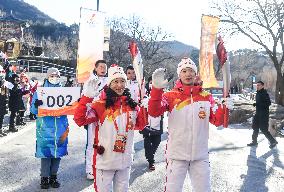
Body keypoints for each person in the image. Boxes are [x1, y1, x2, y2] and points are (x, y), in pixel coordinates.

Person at [148, 57, 229, 192]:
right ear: (179, 74)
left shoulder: (206, 96)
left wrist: (224, 108)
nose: (188, 74)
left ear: (195, 74)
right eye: (184, 71)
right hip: (177, 156)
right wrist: (156, 90)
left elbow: (217, 120)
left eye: (191, 71)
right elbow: (154, 112)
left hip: (200, 155)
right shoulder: (170, 96)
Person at [74, 64, 147, 192]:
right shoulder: (99, 106)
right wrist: (86, 98)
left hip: (125, 161)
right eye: (115, 81)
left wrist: (145, 108)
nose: (119, 85)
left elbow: (141, 125)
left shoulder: (132, 106)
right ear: (109, 84)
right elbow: (80, 120)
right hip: (105, 161)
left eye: (122, 81)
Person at [31, 68, 69, 189]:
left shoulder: (64, 91)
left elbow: (71, 108)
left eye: (57, 75)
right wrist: (36, 106)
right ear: (47, 77)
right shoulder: (40, 91)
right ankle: (44, 178)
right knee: (46, 154)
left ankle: (53, 176)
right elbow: (33, 110)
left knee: (57, 153)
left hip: (61, 127)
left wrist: (75, 103)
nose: (54, 77)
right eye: (52, 75)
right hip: (45, 128)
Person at [84, 59, 108, 180]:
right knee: (92, 143)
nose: (103, 69)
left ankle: (102, 166)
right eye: (101, 67)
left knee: (105, 142)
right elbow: (84, 98)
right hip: (93, 116)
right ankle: (89, 169)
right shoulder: (89, 81)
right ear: (96, 68)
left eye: (105, 67)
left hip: (107, 116)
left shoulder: (110, 80)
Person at [140, 76, 163, 171]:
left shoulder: (162, 94)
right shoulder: (144, 94)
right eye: (150, 82)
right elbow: (140, 105)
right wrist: (142, 102)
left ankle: (150, 155)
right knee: (147, 143)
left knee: (157, 141)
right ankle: (151, 161)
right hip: (146, 124)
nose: (152, 84)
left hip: (157, 123)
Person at [247, 81, 278, 149]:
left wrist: (258, 104)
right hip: (258, 113)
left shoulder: (264, 93)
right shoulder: (258, 93)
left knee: (263, 129)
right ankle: (254, 141)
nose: (257, 86)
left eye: (259, 85)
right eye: (257, 85)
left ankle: (273, 141)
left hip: (263, 114)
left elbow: (268, 103)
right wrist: (257, 105)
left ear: (262, 86)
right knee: (255, 127)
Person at [0, 65, 9, 136]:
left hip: (3, 103)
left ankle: (0, 129)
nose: (3, 73)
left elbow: (3, 93)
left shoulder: (4, 83)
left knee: (2, 116)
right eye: (1, 72)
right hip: (1, 103)